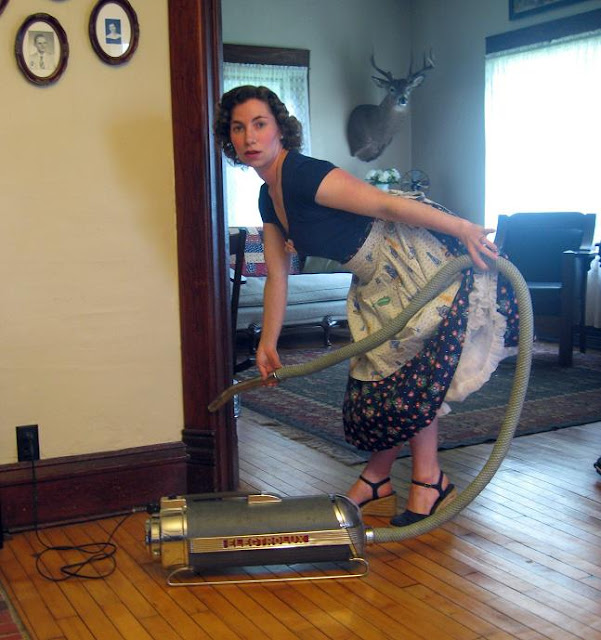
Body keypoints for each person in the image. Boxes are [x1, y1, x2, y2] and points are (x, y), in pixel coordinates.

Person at [214, 85, 519, 527]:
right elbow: (278, 275)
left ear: (280, 128)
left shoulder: (303, 174)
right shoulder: (268, 195)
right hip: (374, 278)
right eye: (238, 128)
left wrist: (464, 228)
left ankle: (422, 480)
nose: (249, 137)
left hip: (406, 257)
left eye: (259, 124)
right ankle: (385, 480)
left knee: (410, 370)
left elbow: (384, 203)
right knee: (387, 375)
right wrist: (267, 342)